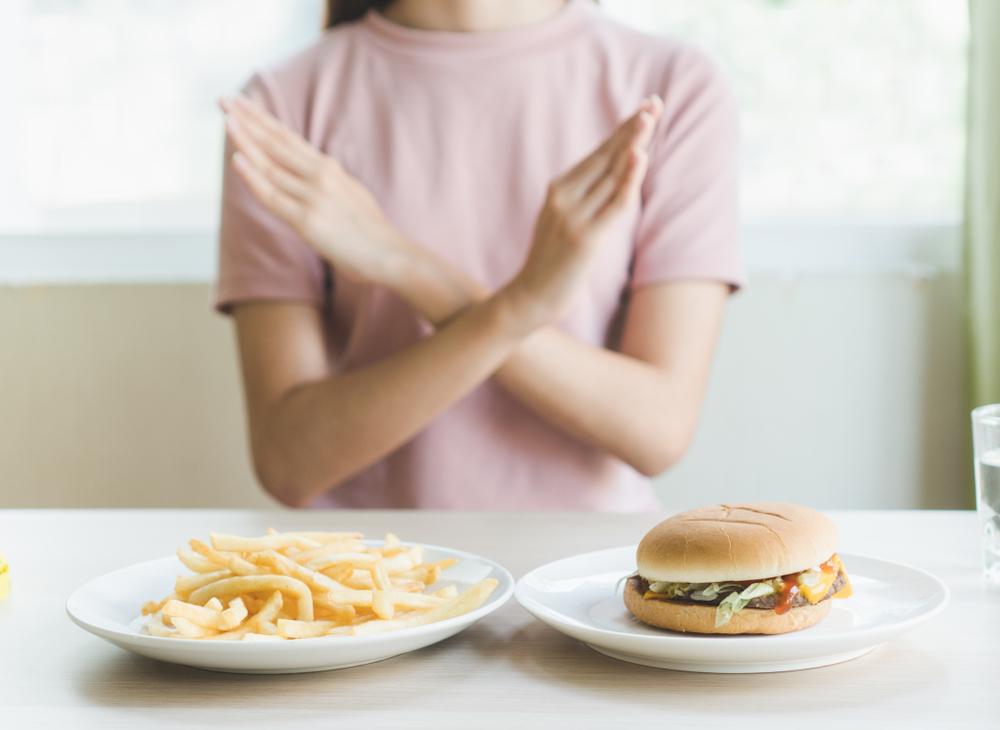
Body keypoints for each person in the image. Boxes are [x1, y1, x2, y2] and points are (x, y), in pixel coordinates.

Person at [216, 0, 743, 510]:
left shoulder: (674, 85)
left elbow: (657, 429)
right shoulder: (281, 105)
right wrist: (518, 309)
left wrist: (407, 266)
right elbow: (288, 462)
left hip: (585, 564)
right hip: (373, 566)